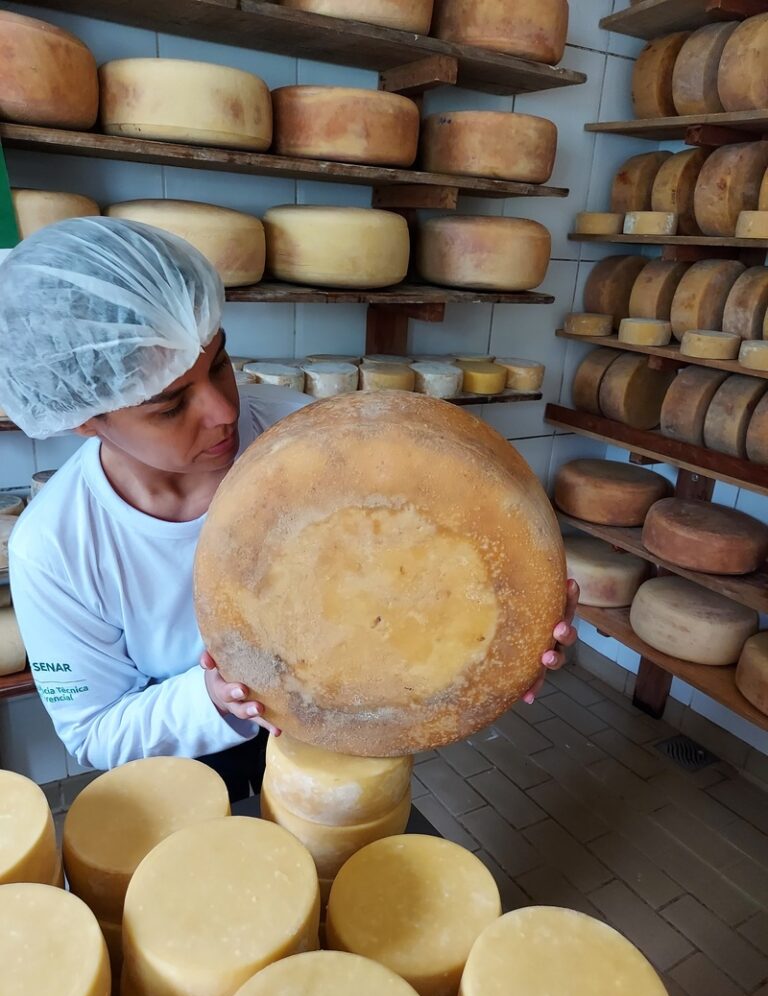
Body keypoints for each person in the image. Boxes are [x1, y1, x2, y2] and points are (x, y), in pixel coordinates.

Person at [0, 217, 578, 801]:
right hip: (178, 761)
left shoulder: (310, 440)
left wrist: (518, 610)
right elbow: (94, 729)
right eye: (171, 404)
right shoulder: (55, 546)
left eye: (220, 363)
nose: (224, 409)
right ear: (86, 417)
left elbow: (401, 576)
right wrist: (218, 696)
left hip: (329, 738)